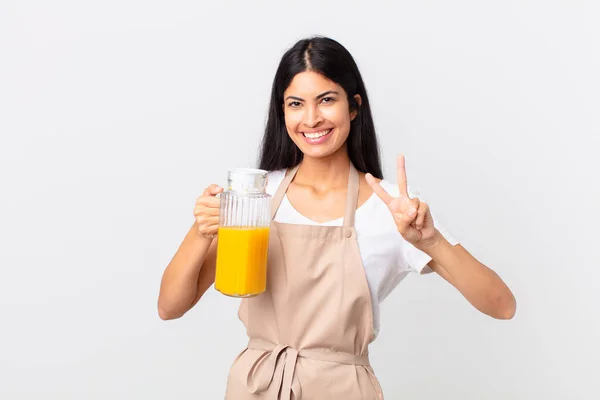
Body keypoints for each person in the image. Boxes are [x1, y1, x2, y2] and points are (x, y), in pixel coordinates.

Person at [157, 36, 516, 399]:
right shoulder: (256, 197)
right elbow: (170, 307)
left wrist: (431, 241)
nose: (311, 118)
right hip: (256, 387)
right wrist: (200, 231)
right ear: (282, 112)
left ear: (354, 107)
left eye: (326, 100)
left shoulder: (391, 208)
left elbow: (502, 305)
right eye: (296, 104)